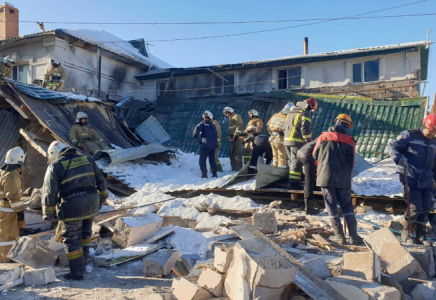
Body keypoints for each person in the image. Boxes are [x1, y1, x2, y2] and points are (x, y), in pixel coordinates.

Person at [42, 141, 108, 280]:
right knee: (85, 235)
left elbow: (49, 192)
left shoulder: (56, 165)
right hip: (91, 204)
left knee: (72, 240)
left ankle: (76, 273)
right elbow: (101, 180)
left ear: (54, 154)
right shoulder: (87, 159)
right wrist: (102, 197)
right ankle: (82, 266)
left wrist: (48, 213)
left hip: (72, 207)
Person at [313, 114, 363, 245]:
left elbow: (314, 155)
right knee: (347, 206)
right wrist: (347, 176)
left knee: (331, 206)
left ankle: (339, 236)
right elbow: (352, 162)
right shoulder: (350, 141)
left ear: (335, 122)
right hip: (343, 179)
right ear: (348, 126)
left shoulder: (323, 137)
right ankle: (354, 236)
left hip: (326, 176)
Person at [387, 114, 436, 244]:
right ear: (425, 124)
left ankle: (420, 234)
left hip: (426, 179)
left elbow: (434, 163)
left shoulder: (433, 142)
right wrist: (398, 158)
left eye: (434, 132)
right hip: (410, 176)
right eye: (430, 130)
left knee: (426, 207)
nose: (432, 134)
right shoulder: (410, 135)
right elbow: (392, 146)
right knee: (415, 207)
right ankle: (407, 233)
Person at [284, 98, 318, 189]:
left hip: (287, 141)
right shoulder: (305, 112)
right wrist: (308, 141)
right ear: (311, 105)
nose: (311, 110)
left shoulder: (292, 111)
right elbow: (305, 128)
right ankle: (294, 184)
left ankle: (293, 180)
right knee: (296, 163)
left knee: (292, 162)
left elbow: (284, 126)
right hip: (296, 141)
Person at [0, 147, 26, 262]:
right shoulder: (12, 175)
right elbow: (14, 197)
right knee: (8, 236)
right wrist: (20, 213)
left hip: (3, 208)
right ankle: (6, 260)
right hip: (8, 211)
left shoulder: (3, 170)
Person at [267, 102, 294, 168]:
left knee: (275, 156)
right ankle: (281, 171)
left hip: (272, 138)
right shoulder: (288, 117)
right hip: (280, 139)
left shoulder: (275, 115)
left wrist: (272, 133)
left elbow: (268, 125)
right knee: (282, 156)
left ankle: (274, 168)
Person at [193, 111, 218, 178]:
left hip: (205, 145)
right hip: (213, 145)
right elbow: (216, 135)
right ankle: (214, 174)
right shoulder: (213, 125)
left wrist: (196, 137)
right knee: (212, 159)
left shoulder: (202, 124)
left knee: (202, 160)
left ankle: (204, 175)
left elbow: (196, 130)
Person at [297, 140, 319, 215]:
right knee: (309, 180)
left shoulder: (323, 138)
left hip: (301, 152)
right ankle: (309, 208)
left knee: (309, 179)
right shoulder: (328, 141)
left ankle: (309, 205)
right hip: (307, 155)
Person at [223, 106, 244, 171]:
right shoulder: (231, 119)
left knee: (237, 153)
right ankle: (234, 168)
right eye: (226, 113)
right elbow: (232, 129)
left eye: (227, 113)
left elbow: (239, 126)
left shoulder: (236, 116)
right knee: (231, 153)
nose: (227, 115)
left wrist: (236, 135)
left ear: (231, 112)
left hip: (238, 138)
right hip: (233, 138)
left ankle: (238, 169)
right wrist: (231, 136)